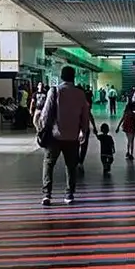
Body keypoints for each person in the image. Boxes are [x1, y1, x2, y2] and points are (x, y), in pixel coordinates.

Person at [38, 65, 92, 206]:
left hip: (54, 136)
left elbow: (45, 114)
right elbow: (85, 116)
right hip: (72, 136)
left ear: (61, 77)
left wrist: (41, 129)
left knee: (49, 164)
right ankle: (69, 194)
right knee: (71, 165)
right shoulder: (80, 94)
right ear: (73, 77)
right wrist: (84, 131)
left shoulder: (55, 91)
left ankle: (47, 194)